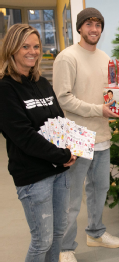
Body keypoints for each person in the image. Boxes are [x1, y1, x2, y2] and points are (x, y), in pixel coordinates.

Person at [0, 24, 77, 262]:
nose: (32, 52)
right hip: (33, 177)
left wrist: (71, 146)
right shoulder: (5, 87)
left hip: (59, 171)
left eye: (36, 46)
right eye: (25, 46)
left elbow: (59, 120)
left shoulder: (42, 82)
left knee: (57, 235)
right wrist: (62, 155)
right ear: (12, 49)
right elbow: (23, 135)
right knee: (41, 240)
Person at [53, 8, 119, 262]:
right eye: (89, 24)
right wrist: (99, 109)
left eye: (98, 25)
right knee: (71, 197)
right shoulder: (67, 57)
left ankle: (95, 232)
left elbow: (110, 94)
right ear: (80, 28)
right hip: (77, 136)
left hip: (102, 134)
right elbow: (64, 98)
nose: (94, 29)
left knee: (99, 189)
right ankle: (65, 247)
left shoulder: (105, 57)